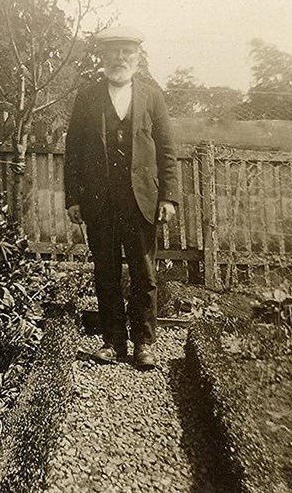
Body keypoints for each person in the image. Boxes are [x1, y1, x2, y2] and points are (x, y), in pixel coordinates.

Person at [64, 26, 178, 369]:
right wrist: (73, 198)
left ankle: (144, 343)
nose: (120, 58)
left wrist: (168, 198)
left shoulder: (153, 97)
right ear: (103, 57)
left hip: (141, 200)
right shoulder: (87, 97)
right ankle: (113, 342)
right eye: (114, 52)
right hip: (100, 202)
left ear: (137, 57)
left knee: (144, 273)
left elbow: (168, 151)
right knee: (106, 272)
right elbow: (72, 153)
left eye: (127, 51)